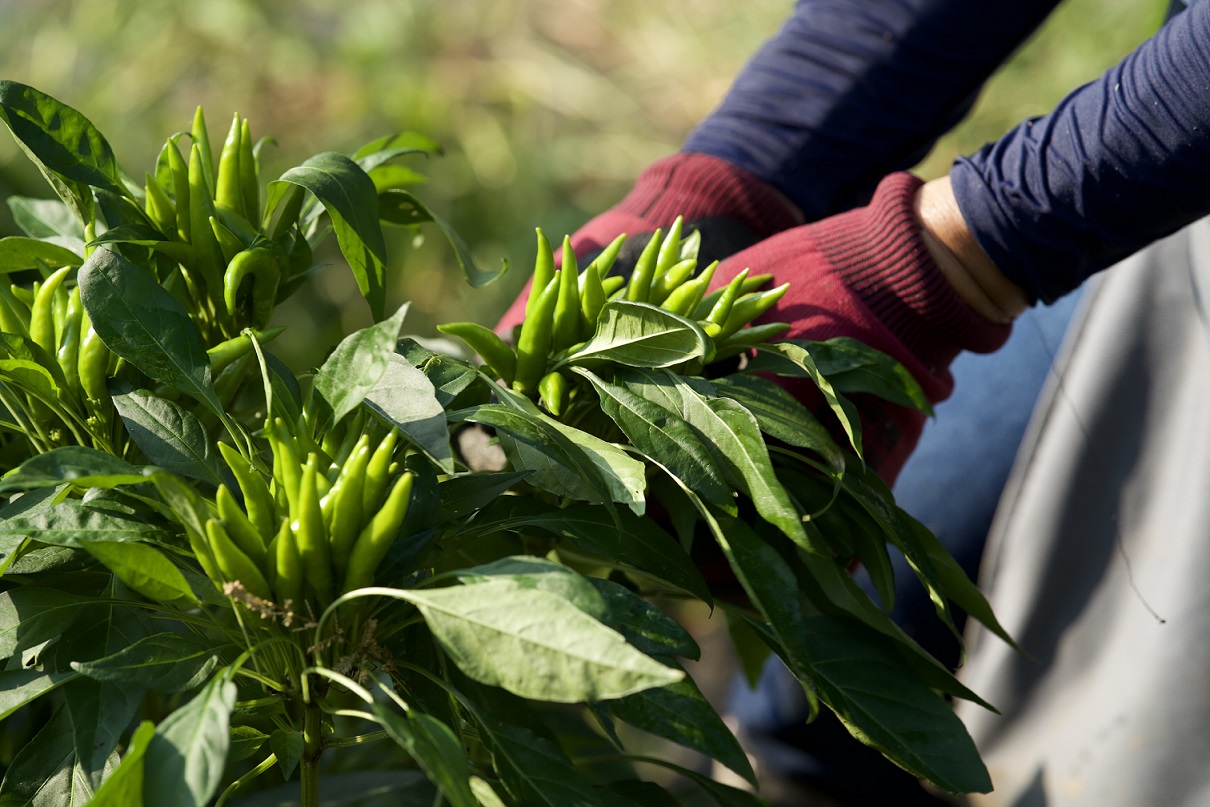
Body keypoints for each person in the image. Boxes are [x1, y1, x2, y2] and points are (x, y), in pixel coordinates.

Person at [497, 0, 1210, 803]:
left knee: (1129, 747)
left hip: (1163, 167)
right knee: (817, 683)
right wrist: (744, 168)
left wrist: (963, 256)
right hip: (1169, 161)